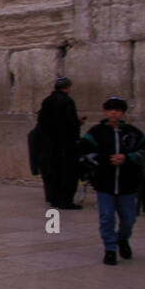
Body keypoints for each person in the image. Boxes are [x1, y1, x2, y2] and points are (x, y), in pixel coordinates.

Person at [78, 97, 145, 266]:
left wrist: (128, 158)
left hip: (128, 183)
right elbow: (83, 153)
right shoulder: (96, 132)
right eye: (110, 110)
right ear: (105, 112)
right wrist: (105, 160)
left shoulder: (133, 133)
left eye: (118, 110)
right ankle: (110, 249)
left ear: (123, 113)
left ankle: (123, 239)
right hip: (105, 183)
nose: (114, 113)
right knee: (107, 217)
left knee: (128, 218)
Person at [37, 76, 84, 210]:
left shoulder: (47, 101)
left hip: (51, 144)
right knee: (69, 172)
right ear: (67, 87)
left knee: (54, 171)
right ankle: (66, 200)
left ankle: (54, 199)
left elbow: (42, 122)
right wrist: (77, 132)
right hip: (66, 144)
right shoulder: (67, 101)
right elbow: (71, 123)